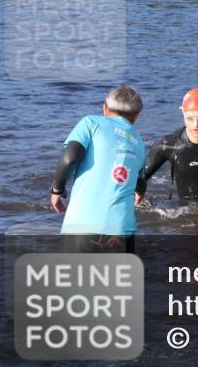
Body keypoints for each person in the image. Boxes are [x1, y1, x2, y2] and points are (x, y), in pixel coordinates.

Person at [50, 86, 145, 253]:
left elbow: (70, 158)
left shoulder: (91, 123)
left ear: (105, 109)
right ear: (137, 116)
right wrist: (138, 192)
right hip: (122, 231)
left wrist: (57, 190)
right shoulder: (139, 142)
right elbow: (141, 184)